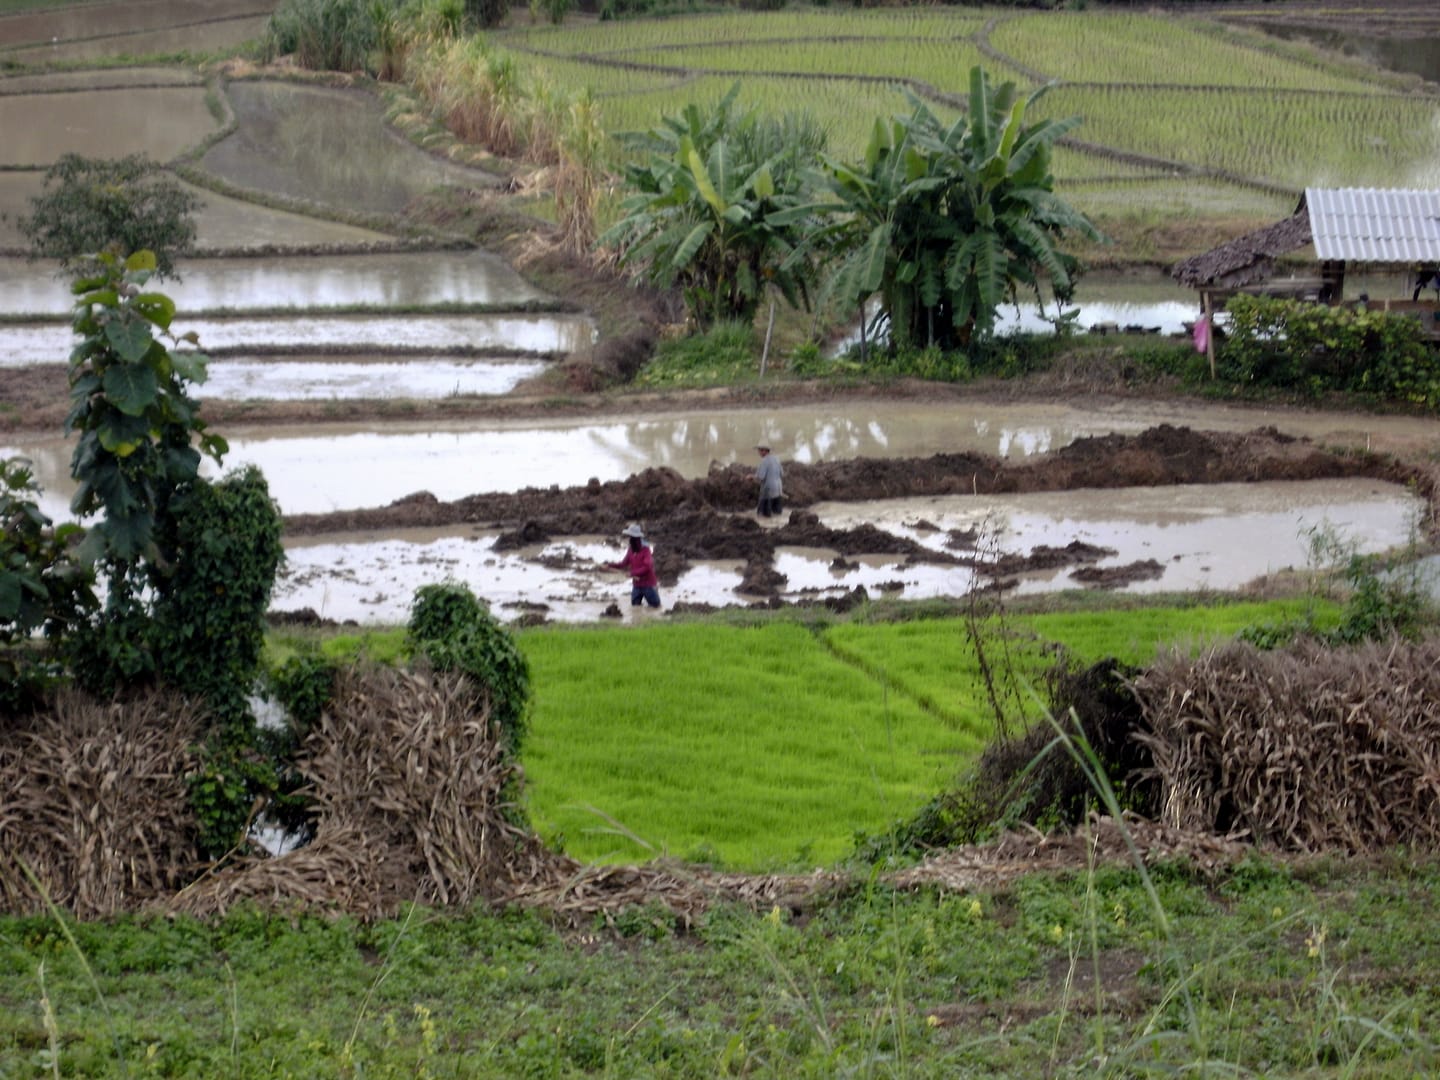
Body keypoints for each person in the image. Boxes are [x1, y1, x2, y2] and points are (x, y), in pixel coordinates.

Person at [607, 523, 660, 608]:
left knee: (655, 607)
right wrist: (610, 565)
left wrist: (633, 573)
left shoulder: (646, 550)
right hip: (637, 585)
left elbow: (648, 567)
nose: (629, 539)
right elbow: (623, 564)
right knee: (635, 607)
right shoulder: (631, 549)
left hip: (648, 585)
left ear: (637, 538)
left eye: (631, 537)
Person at [755, 443, 783, 518]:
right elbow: (782, 473)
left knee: (763, 514)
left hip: (768, 490)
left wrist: (751, 477)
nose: (759, 453)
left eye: (760, 451)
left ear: (764, 451)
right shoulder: (776, 459)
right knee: (777, 513)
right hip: (778, 489)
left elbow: (761, 477)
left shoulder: (764, 461)